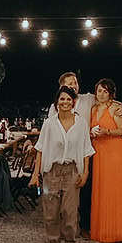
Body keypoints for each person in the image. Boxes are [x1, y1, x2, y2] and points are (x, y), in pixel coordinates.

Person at [29, 86, 94, 243]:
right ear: (56, 102)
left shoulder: (81, 124)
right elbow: (40, 149)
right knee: (51, 210)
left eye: (68, 99)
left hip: (72, 171)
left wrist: (85, 173)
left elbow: (87, 150)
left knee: (69, 210)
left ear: (73, 102)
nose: (65, 102)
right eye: (62, 99)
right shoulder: (49, 124)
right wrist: (36, 174)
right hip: (52, 172)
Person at [45, 71, 96, 232]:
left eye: (74, 82)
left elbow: (106, 98)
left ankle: (84, 226)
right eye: (68, 83)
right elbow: (49, 133)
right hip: (62, 155)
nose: (73, 85)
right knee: (60, 194)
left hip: (85, 149)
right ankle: (59, 228)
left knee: (86, 190)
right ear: (61, 87)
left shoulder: (88, 99)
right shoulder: (55, 107)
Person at [88, 79, 122, 243]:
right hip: (98, 151)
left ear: (110, 93)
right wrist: (93, 133)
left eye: (105, 91)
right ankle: (99, 230)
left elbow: (121, 130)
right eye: (99, 91)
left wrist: (106, 132)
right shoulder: (94, 109)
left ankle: (114, 231)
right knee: (100, 189)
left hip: (113, 151)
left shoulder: (116, 108)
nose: (102, 94)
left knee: (112, 190)